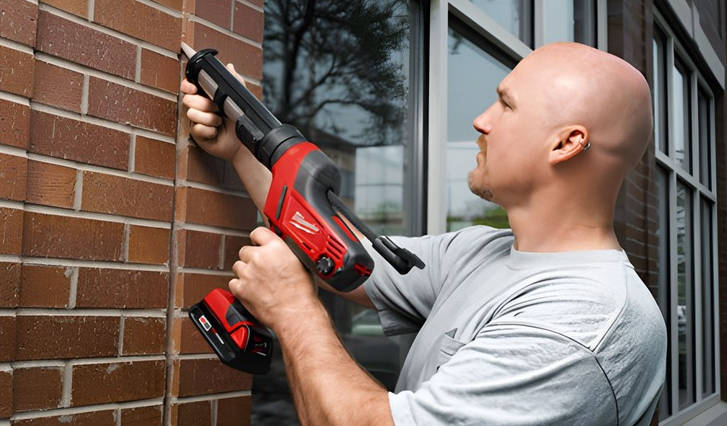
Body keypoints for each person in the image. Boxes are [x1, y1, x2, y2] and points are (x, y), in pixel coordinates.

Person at [180, 42, 667, 425]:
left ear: (566, 143)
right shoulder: (479, 251)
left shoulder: (586, 321)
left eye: (506, 105)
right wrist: (243, 144)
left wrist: (291, 309)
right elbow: (335, 254)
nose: (481, 121)